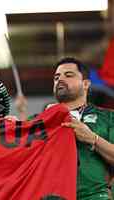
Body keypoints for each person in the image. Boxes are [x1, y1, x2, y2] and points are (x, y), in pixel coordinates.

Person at [52, 57, 114, 199]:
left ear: (86, 84)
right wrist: (12, 125)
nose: (60, 79)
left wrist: (93, 139)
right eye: (56, 77)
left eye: (68, 75)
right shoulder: (39, 120)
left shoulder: (108, 117)